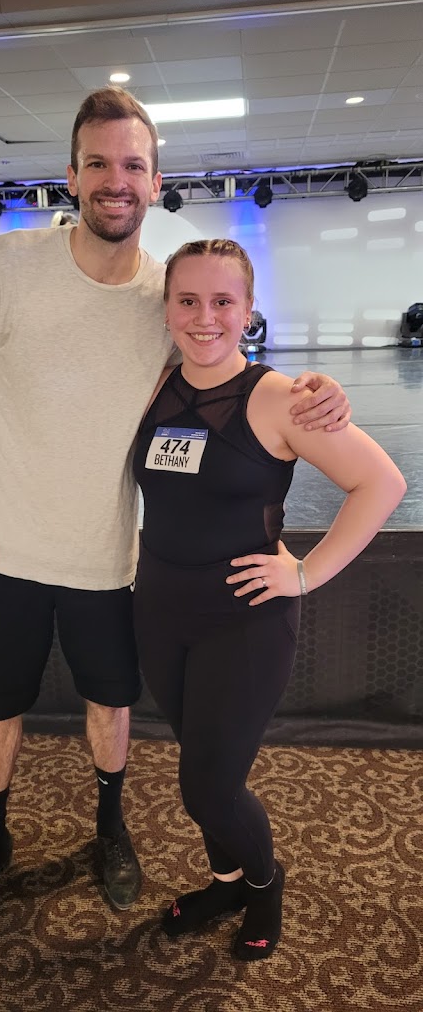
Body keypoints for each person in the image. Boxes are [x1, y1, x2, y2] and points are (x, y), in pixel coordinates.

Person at [0, 87, 352, 935]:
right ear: (71, 175)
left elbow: (221, 360)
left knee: (110, 701)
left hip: (112, 559)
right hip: (4, 545)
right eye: (98, 163)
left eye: (132, 165)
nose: (114, 180)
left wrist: (313, 387)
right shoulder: (5, 265)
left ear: (156, 182)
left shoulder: (168, 296)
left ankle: (110, 828)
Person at [132, 238, 406, 961]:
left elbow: (382, 484)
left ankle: (263, 883)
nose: (204, 317)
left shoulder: (282, 398)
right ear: (167, 308)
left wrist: (306, 574)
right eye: (188, 300)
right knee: (201, 764)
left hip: (243, 621)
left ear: (249, 309)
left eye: (223, 301)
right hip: (159, 610)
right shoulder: (153, 385)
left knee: (209, 789)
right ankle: (224, 881)